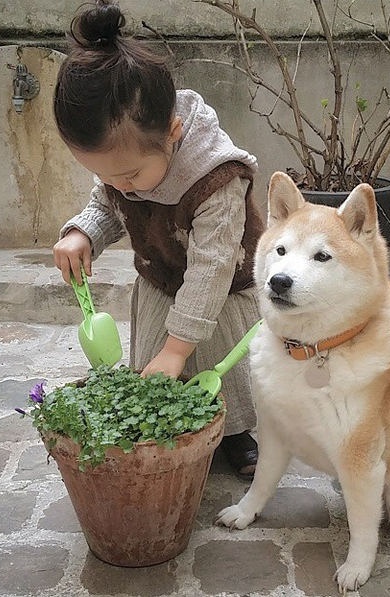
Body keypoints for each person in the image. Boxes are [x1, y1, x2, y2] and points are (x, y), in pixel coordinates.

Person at [52, 0, 264, 478]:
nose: (122, 185)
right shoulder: (123, 169)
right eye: (107, 175)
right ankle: (172, 425)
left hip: (222, 291)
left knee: (219, 369)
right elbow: (106, 204)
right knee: (157, 371)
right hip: (160, 278)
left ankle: (235, 435)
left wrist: (178, 347)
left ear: (172, 133)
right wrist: (83, 230)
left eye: (130, 174)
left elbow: (212, 270)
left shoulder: (217, 178)